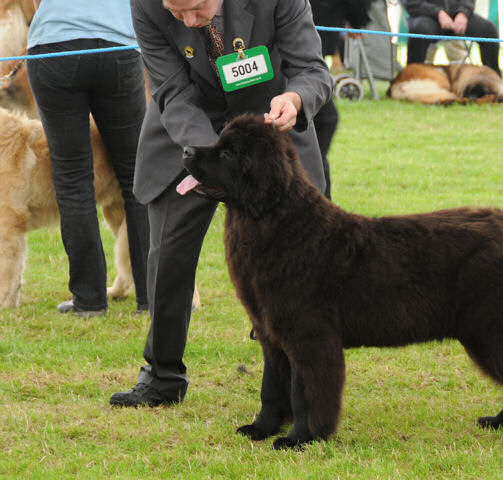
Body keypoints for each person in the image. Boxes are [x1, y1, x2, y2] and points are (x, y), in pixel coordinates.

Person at [109, 0, 331, 407]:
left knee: (300, 259)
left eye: (197, 8)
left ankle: (297, 376)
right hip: (189, 133)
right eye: (178, 14)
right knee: (167, 254)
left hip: (271, 127)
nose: (190, 21)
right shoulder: (144, 5)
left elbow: (312, 69)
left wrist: (295, 100)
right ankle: (162, 375)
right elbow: (172, 91)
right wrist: (219, 157)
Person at [26, 0, 150, 316]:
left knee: (72, 178)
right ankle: (151, 296)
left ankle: (89, 300)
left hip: (55, 46)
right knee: (136, 174)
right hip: (117, 47)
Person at [310, 0, 372, 199]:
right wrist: (358, 20)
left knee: (323, 121)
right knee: (324, 121)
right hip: (297, 46)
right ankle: (318, 203)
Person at [402, 0, 501, 76]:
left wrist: (463, 13)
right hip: (426, 16)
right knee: (419, 29)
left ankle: (494, 79)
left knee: (488, 30)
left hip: (458, 16)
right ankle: (412, 76)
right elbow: (411, 3)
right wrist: (438, 13)